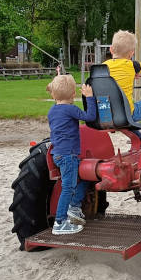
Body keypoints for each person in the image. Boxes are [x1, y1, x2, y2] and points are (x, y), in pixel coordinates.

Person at [47, 74, 97, 235]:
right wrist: (89, 97)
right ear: (73, 94)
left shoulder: (52, 111)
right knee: (67, 188)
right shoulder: (70, 109)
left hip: (58, 154)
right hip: (68, 155)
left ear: (53, 94)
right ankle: (60, 223)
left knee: (80, 180)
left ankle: (74, 208)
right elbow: (90, 117)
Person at [103, 30, 141, 139]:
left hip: (106, 116)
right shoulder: (132, 65)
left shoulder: (102, 67)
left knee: (124, 111)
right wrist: (135, 70)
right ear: (132, 53)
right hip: (127, 115)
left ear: (111, 49)